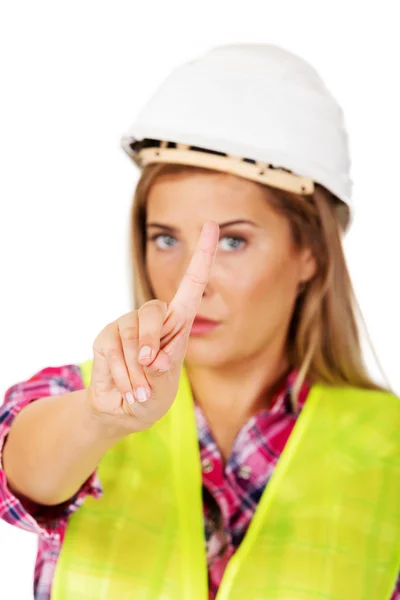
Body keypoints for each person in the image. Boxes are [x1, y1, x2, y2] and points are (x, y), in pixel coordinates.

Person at [0, 43, 399, 600]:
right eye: (166, 238)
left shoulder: (392, 446)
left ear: (310, 253)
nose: (194, 277)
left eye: (232, 241)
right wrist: (100, 418)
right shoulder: (84, 397)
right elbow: (21, 476)